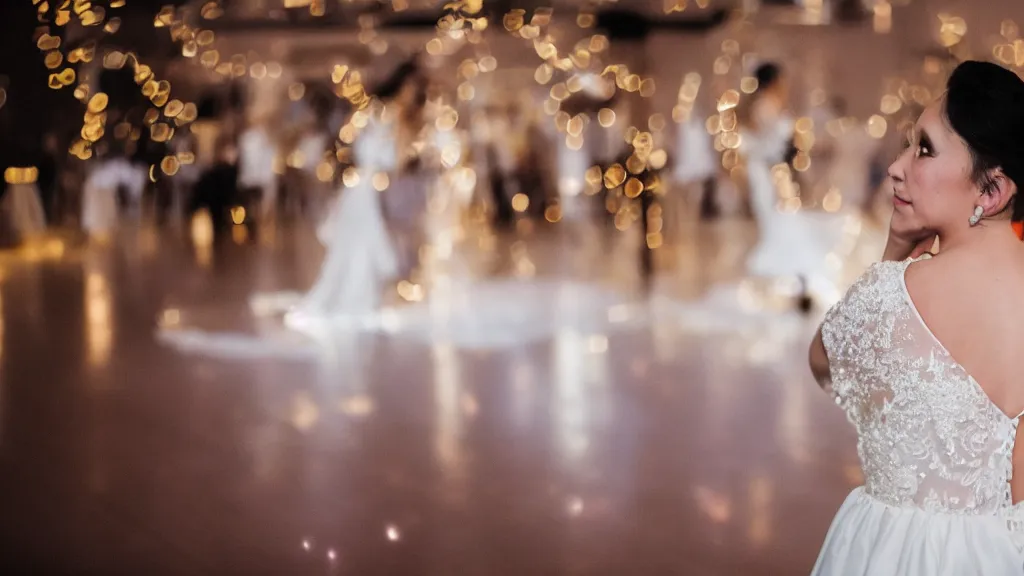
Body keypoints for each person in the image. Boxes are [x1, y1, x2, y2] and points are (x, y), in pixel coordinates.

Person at [809, 60, 1024, 574]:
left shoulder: (896, 292)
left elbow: (825, 364)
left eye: (924, 149)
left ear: (991, 191)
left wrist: (893, 252)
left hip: (895, 553)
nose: (896, 167)